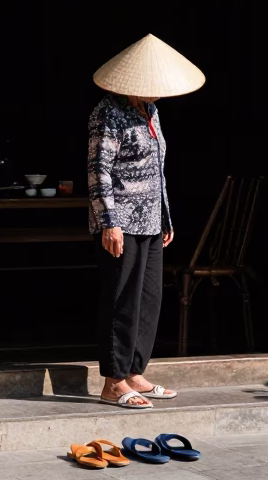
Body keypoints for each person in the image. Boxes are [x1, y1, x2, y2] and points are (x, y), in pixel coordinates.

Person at [87, 34, 205, 408]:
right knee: (122, 300)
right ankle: (113, 381)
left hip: (152, 221)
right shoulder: (107, 112)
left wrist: (166, 215)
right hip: (120, 220)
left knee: (148, 300)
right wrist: (109, 221)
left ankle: (135, 372)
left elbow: (158, 169)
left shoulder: (151, 112)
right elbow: (98, 170)